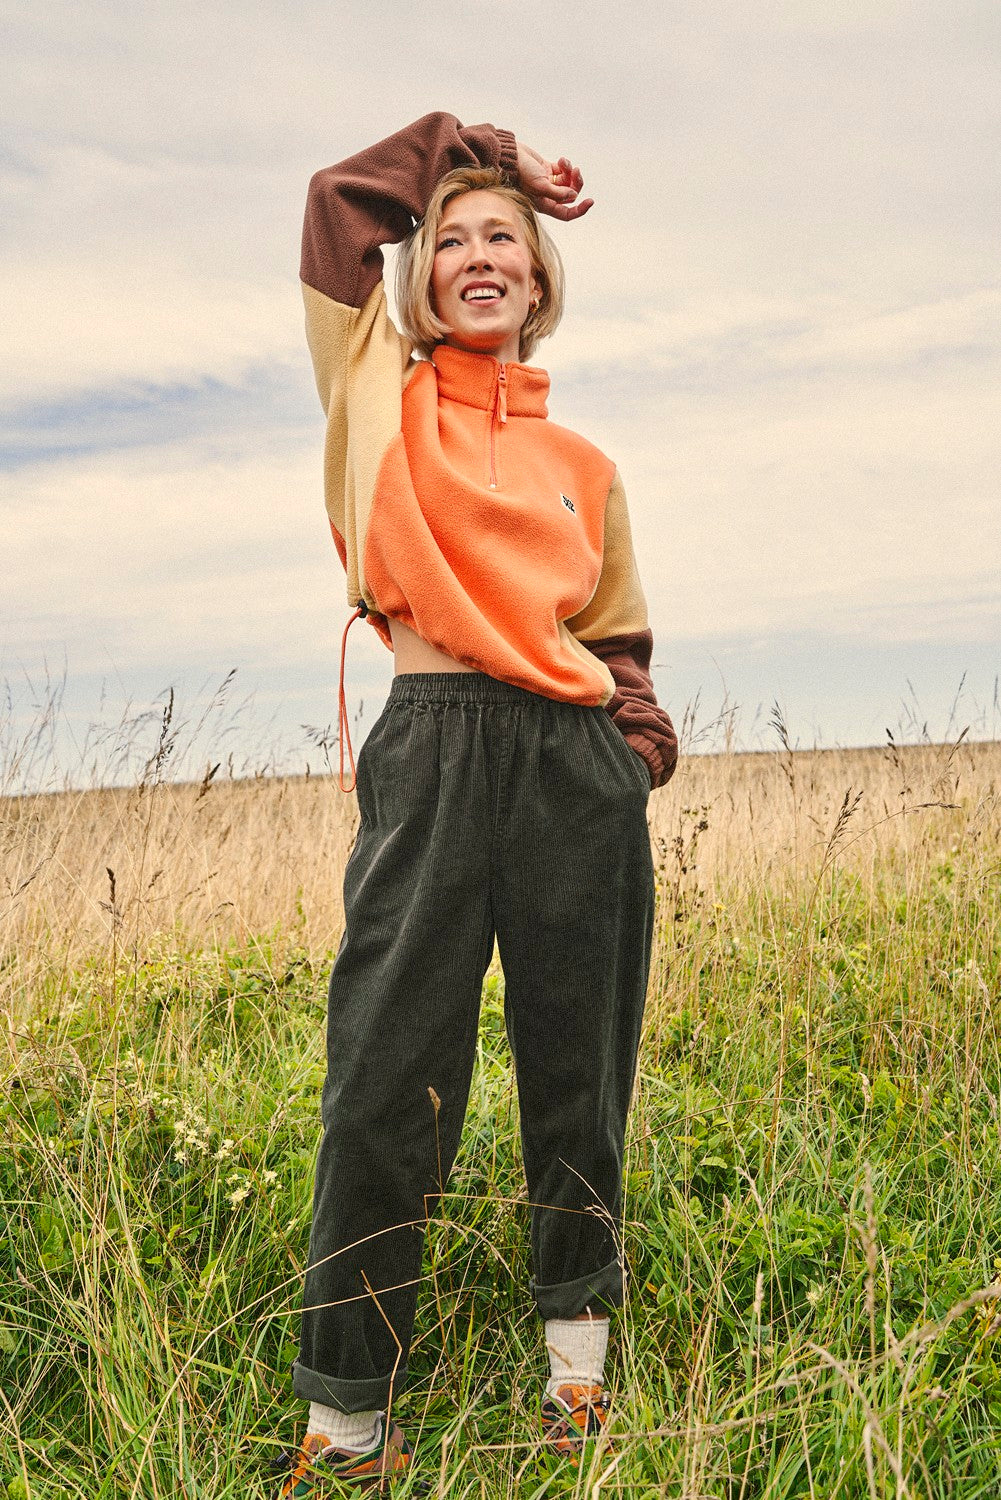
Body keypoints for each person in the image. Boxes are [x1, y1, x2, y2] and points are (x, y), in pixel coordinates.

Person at [278, 112, 678, 1496]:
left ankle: (577, 1374)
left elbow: (618, 637)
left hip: (571, 765)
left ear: (540, 272)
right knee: (386, 1078)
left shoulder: (588, 467)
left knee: (579, 1076)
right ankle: (345, 1419)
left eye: (499, 233)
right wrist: (470, 146)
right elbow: (340, 202)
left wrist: (630, 748)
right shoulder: (372, 382)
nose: (474, 254)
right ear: (418, 273)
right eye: (448, 239)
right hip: (433, 746)